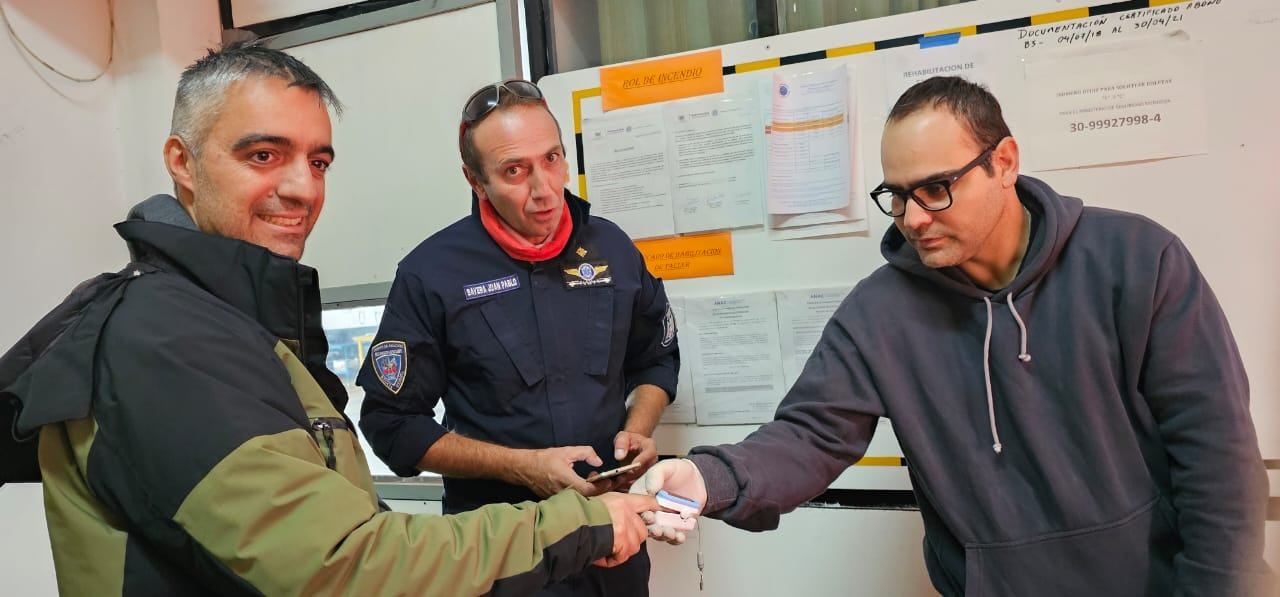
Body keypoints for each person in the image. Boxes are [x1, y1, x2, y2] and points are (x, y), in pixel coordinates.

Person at [0, 42, 656, 596]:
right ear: (182, 161)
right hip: (520, 550)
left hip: (570, 554)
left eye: (317, 161)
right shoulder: (165, 338)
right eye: (263, 155)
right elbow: (343, 556)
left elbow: (321, 525)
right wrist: (561, 504)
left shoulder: (242, 323)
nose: (302, 188)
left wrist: (629, 448)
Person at [633, 76, 1276, 596]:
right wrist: (705, 476)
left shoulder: (1137, 260)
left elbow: (1217, 458)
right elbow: (808, 436)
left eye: (936, 189)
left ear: (1004, 162)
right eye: (897, 194)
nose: (913, 218)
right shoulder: (880, 313)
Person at [357, 79, 679, 596]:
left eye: (551, 159)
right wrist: (523, 468)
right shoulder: (431, 274)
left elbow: (655, 361)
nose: (544, 188)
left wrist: (639, 428)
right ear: (475, 180)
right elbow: (391, 425)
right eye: (515, 171)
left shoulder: (613, 249)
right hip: (503, 558)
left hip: (611, 548)